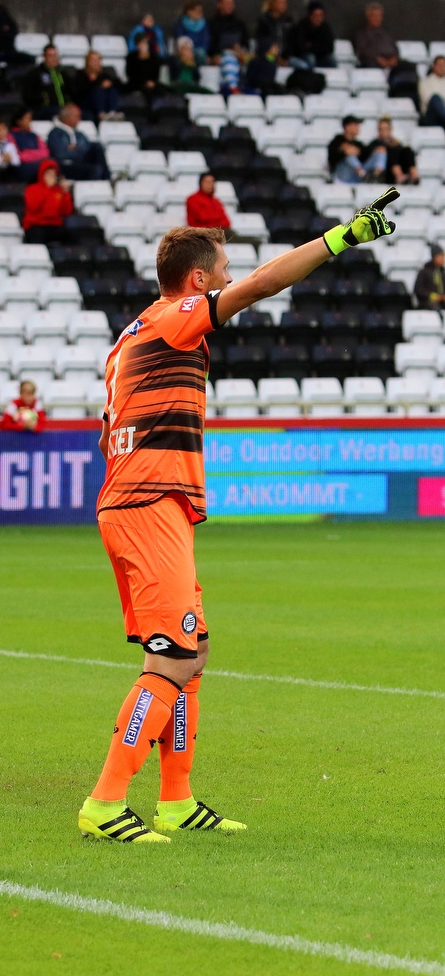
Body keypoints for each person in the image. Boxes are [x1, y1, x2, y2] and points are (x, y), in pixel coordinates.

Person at [78, 190, 399, 843]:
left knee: (190, 656)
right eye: (219, 269)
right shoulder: (177, 316)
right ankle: (105, 803)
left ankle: (175, 799)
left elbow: (110, 426)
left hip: (142, 500)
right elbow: (261, 284)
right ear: (197, 280)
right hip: (147, 504)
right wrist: (342, 237)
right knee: (171, 657)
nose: (227, 276)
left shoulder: (131, 334)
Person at [47, 103, 110, 181]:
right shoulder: (56, 134)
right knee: (94, 170)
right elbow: (61, 154)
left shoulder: (79, 134)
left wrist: (75, 149)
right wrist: (79, 151)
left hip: (81, 163)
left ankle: (108, 180)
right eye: (76, 116)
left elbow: (87, 148)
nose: (79, 119)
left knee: (96, 148)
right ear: (67, 117)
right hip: (67, 166)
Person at [22, 159, 73, 245]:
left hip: (54, 225)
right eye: (48, 174)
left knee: (71, 237)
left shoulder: (58, 191)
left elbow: (66, 212)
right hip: (36, 225)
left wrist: (66, 193)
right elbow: (34, 207)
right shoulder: (31, 189)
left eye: (53, 174)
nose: (51, 176)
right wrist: (47, 189)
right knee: (37, 236)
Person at [328, 115, 386, 184]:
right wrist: (344, 151)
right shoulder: (337, 141)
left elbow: (366, 154)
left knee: (381, 151)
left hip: (357, 176)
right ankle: (363, 175)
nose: (358, 127)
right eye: (356, 125)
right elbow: (332, 159)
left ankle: (376, 176)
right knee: (349, 153)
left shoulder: (358, 144)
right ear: (347, 127)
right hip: (343, 176)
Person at [22, 45, 74, 121]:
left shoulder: (63, 73)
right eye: (50, 56)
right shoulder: (35, 73)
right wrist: (43, 98)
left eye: (55, 55)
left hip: (64, 107)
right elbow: (28, 94)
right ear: (44, 57)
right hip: (44, 108)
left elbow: (71, 91)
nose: (54, 59)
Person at [284, 1, 335, 71]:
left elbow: (329, 48)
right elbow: (300, 48)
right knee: (311, 58)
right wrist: (316, 47)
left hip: (320, 57)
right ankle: (310, 79)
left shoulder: (326, 28)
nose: (318, 18)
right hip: (303, 57)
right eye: (316, 15)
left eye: (321, 15)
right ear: (309, 15)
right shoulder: (301, 27)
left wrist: (312, 46)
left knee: (331, 60)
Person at [367, 117, 418, 185]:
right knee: (391, 151)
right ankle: (399, 176)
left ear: (390, 129)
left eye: (386, 129)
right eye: (381, 129)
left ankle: (414, 176)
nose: (384, 131)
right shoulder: (374, 144)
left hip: (400, 167)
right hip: (386, 173)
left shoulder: (396, 143)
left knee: (407, 150)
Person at [73, 51, 122, 122]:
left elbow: (119, 84)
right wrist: (96, 83)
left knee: (112, 90)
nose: (96, 62)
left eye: (98, 60)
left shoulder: (104, 75)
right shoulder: (81, 74)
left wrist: (109, 84)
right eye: (93, 60)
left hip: (105, 102)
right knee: (98, 91)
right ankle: (101, 114)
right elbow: (80, 92)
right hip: (87, 103)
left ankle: (112, 112)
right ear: (87, 62)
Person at [9, 106, 51, 182]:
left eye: (30, 118)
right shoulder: (11, 136)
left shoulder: (35, 136)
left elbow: (45, 152)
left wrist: (28, 152)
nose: (30, 121)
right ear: (18, 121)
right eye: (27, 118)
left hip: (37, 164)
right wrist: (36, 154)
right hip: (22, 168)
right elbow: (17, 156)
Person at [355, 2, 398, 69]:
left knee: (408, 66)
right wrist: (378, 59)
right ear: (368, 16)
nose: (377, 18)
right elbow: (363, 51)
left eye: (379, 15)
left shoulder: (388, 32)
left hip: (391, 59)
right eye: (374, 16)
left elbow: (395, 47)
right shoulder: (362, 33)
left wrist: (394, 58)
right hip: (372, 60)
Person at [172, 1, 211, 65]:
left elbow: (206, 41)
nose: (200, 13)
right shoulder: (180, 25)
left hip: (200, 52)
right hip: (185, 51)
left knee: (201, 54)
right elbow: (180, 40)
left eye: (201, 11)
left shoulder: (204, 25)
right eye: (197, 11)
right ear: (189, 11)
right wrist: (187, 50)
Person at [415, 245, 445, 311]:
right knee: (434, 306)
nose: (443, 259)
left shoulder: (442, 272)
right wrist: (434, 296)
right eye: (440, 256)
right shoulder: (424, 272)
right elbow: (418, 290)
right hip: (427, 302)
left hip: (442, 301)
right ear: (434, 257)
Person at [419, 57, 445, 128]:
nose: (442, 67)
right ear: (434, 66)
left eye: (444, 65)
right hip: (431, 117)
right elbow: (427, 100)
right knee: (435, 98)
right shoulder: (425, 82)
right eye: (439, 65)